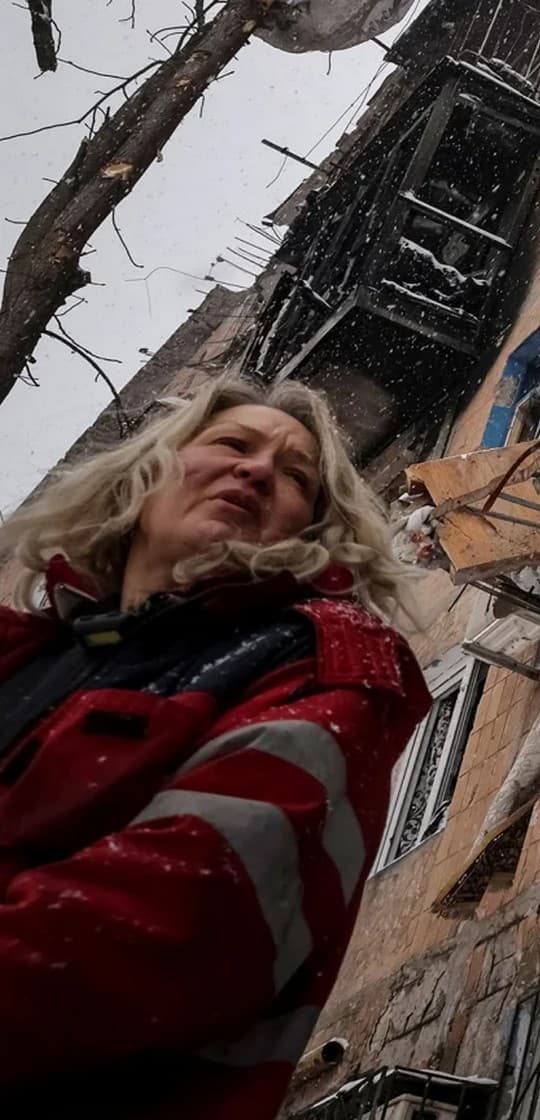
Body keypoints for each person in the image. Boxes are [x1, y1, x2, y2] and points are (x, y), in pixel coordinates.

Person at [0, 378, 429, 1119]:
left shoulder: (318, 663)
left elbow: (173, 913)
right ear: (145, 472)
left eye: (295, 478)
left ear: (310, 530)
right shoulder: (22, 652)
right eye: (232, 444)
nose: (257, 471)